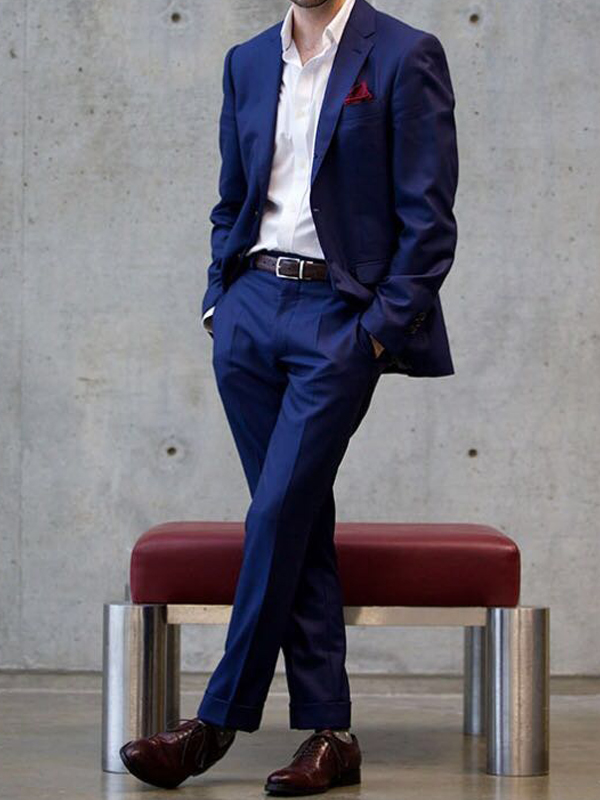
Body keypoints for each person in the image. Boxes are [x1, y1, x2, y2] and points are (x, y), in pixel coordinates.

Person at [119, 0, 458, 794]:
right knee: (296, 518)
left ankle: (215, 722)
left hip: (338, 320)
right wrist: (220, 299)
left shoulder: (404, 55)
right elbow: (231, 197)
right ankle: (330, 734)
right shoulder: (246, 62)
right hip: (249, 315)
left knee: (275, 513)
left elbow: (429, 218)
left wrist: (377, 333)